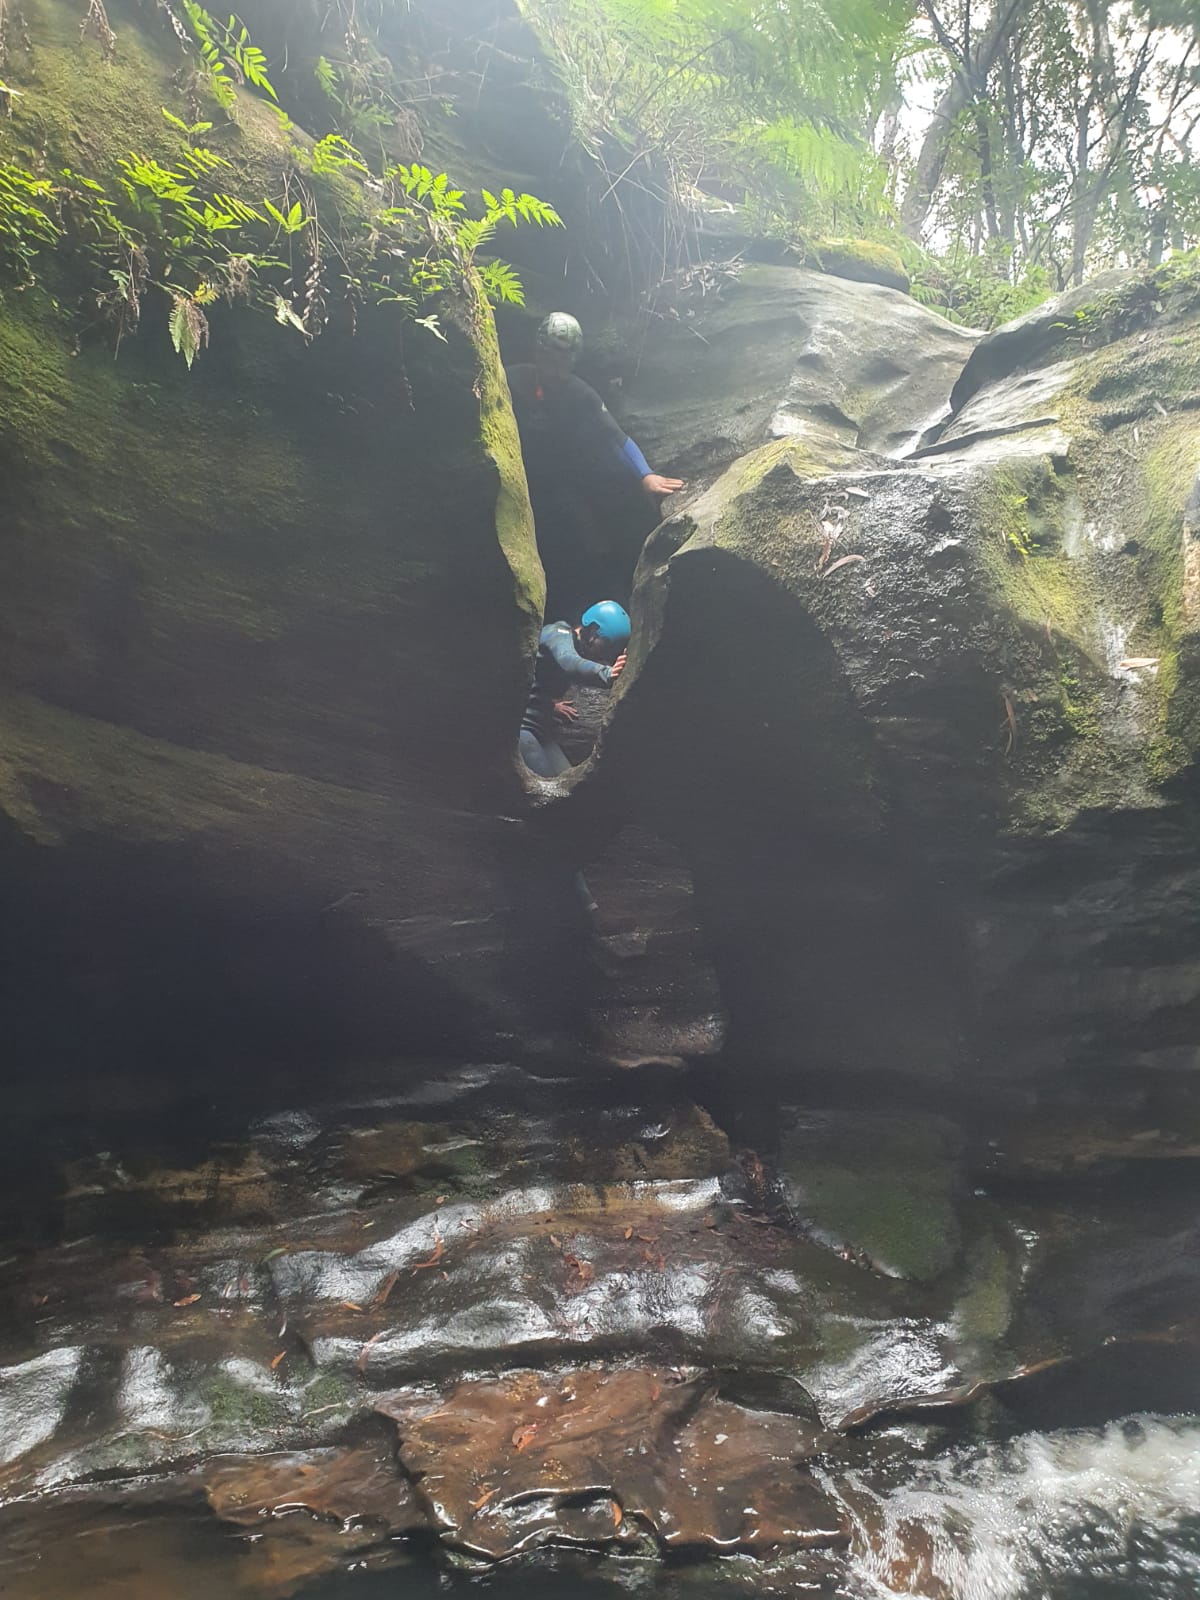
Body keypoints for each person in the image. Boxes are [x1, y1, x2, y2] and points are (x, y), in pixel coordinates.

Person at [507, 314, 683, 616]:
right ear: (538, 350)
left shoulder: (579, 393)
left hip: (559, 484)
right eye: (550, 356)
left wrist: (645, 474)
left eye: (563, 360)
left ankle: (589, 611)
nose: (555, 367)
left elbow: (615, 436)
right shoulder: (510, 379)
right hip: (514, 478)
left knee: (584, 542)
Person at [520, 601, 634, 940]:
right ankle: (584, 912)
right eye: (606, 648)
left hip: (541, 730)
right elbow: (568, 661)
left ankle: (580, 905)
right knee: (556, 814)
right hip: (522, 733)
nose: (606, 656)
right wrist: (607, 675)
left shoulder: (569, 642)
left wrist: (548, 703)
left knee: (576, 802)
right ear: (592, 630)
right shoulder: (558, 633)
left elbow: (535, 679)